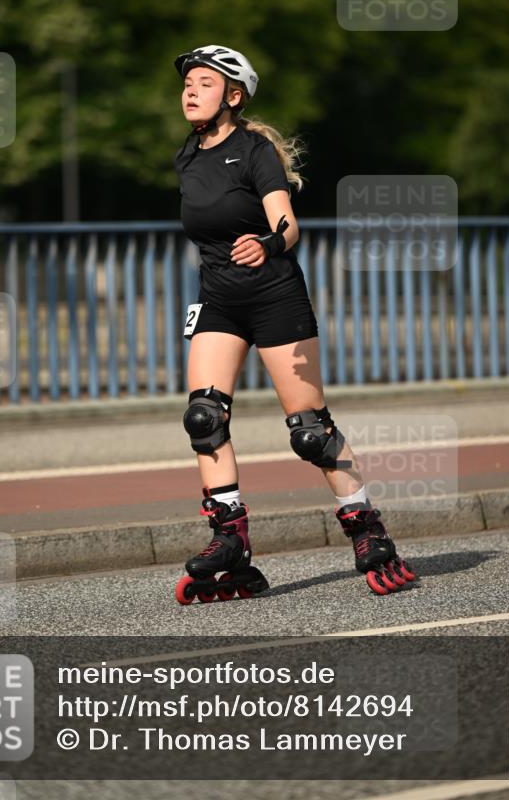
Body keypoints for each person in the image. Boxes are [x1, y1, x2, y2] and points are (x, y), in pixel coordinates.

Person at [172, 45, 415, 602]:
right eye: (187, 82)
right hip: (219, 300)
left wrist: (265, 242)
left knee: (310, 431)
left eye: (204, 83)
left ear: (233, 96)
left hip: (275, 295)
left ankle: (366, 528)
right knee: (203, 417)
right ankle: (229, 539)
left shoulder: (254, 151)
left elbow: (288, 225)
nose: (190, 90)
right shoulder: (186, 156)